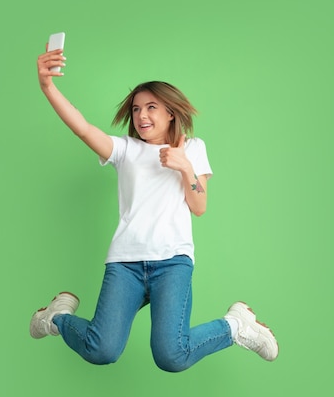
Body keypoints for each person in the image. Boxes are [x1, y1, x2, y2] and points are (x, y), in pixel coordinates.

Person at [29, 43, 279, 371]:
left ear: (171, 112)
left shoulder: (192, 148)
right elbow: (82, 127)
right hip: (125, 264)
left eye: (151, 107)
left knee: (171, 356)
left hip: (172, 263)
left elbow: (199, 205)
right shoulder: (124, 150)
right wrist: (48, 86)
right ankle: (57, 318)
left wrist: (185, 167)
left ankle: (236, 326)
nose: (142, 116)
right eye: (136, 109)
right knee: (101, 349)